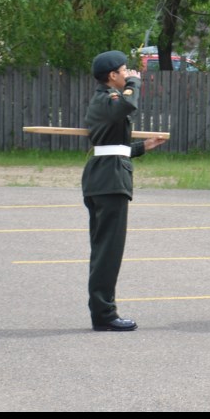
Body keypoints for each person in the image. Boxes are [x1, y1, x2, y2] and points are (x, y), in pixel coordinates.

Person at [82, 50, 167, 332]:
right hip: (109, 181)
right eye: (124, 70)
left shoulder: (104, 101)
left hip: (104, 176)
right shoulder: (109, 99)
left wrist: (144, 147)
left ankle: (102, 311)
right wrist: (136, 83)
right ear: (112, 76)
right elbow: (127, 107)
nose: (128, 73)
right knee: (108, 251)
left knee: (103, 249)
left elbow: (114, 146)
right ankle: (105, 314)